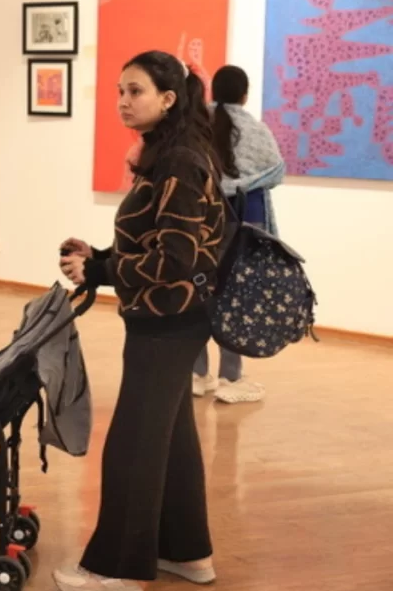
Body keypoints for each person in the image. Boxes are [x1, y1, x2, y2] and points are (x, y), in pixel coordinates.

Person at [53, 50, 227, 590]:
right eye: (120, 91)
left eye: (136, 92)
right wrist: (98, 256)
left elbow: (176, 259)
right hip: (167, 320)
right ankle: (188, 554)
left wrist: (100, 267)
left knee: (133, 443)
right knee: (169, 440)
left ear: (168, 99)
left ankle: (118, 569)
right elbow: (158, 242)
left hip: (170, 323)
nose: (123, 102)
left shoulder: (180, 162)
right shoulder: (169, 154)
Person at [193, 64, 285, 403]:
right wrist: (243, 184)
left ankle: (197, 373)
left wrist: (222, 185)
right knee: (235, 296)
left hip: (203, 218)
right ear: (244, 94)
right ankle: (231, 378)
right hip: (244, 220)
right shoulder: (254, 129)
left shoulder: (198, 125)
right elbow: (276, 171)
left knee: (200, 290)